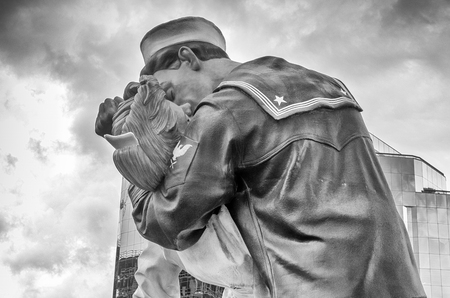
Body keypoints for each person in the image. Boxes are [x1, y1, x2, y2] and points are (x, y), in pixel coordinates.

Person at [96, 16, 426, 298]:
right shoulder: (326, 86)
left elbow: (165, 222)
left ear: (187, 58)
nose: (182, 107)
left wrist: (132, 143)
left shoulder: (223, 110)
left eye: (170, 92)